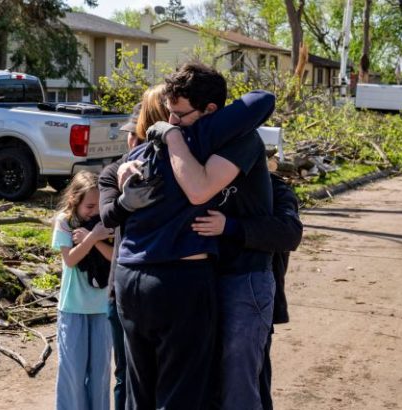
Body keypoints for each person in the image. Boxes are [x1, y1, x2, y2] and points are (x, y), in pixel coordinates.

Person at [102, 63, 276, 409]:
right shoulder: (166, 146)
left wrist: (171, 136)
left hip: (227, 275)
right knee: (180, 393)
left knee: (227, 386)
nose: (170, 120)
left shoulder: (197, 139)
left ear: (211, 111)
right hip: (175, 280)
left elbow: (263, 99)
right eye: (166, 113)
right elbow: (111, 208)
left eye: (179, 113)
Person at [191, 170, 303, 410]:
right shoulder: (203, 181)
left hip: (250, 297)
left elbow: (289, 232)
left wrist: (230, 227)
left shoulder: (274, 187)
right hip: (204, 295)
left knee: (248, 384)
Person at [98, 83, 170, 410]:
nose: (130, 139)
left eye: (134, 133)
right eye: (128, 134)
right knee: (125, 375)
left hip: (163, 282)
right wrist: (127, 201)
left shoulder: (170, 161)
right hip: (122, 286)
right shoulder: (114, 171)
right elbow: (108, 216)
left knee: (157, 378)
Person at [52, 170, 114, 410]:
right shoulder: (64, 222)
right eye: (89, 206)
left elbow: (113, 257)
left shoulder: (106, 222)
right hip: (73, 308)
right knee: (73, 375)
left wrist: (96, 238)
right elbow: (70, 260)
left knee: (100, 374)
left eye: (99, 205)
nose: (95, 212)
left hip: (101, 308)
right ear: (73, 202)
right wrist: (91, 239)